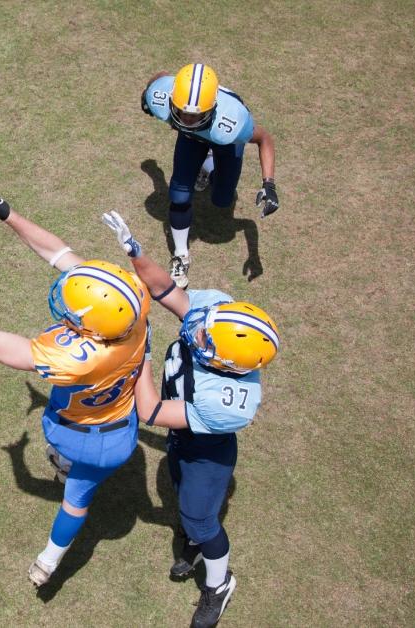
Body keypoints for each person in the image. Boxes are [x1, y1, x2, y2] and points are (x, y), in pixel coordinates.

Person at [0, 167, 151, 587]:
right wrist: (7, 213)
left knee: (75, 498)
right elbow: (60, 255)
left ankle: (53, 546)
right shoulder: (130, 310)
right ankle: (48, 559)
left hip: (78, 435)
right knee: (81, 492)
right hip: (123, 432)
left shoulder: (74, 357)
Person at [102, 210, 282, 627]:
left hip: (208, 451)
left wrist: (140, 347)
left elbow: (149, 411)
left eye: (206, 337)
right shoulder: (217, 315)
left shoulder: (227, 400)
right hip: (183, 435)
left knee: (200, 516)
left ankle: (219, 584)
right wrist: (135, 252)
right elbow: (166, 288)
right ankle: (192, 537)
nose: (198, 328)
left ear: (228, 364)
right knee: (183, 498)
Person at [140, 63, 281, 289]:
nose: (186, 118)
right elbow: (160, 80)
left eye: (194, 114)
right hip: (191, 139)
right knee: (178, 196)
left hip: (222, 141)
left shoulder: (232, 124)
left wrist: (269, 184)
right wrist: (147, 92)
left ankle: (207, 166)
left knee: (222, 199)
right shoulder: (162, 97)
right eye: (181, 111)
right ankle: (181, 255)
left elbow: (264, 139)